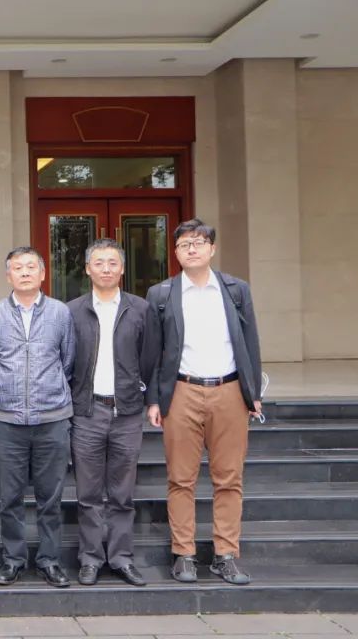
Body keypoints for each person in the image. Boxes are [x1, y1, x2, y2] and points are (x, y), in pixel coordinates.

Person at [146, 219, 262, 585]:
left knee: (229, 478)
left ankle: (225, 554)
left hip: (229, 390)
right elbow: (152, 352)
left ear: (212, 249)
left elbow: (251, 342)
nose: (192, 249)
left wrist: (252, 392)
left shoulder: (235, 290)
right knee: (181, 478)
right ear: (176, 252)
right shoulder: (162, 294)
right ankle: (184, 554)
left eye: (199, 242)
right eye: (184, 244)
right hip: (181, 391)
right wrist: (153, 399)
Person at [0, 246, 76, 589]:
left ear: (43, 274)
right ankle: (13, 560)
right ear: (8, 276)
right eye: (17, 268)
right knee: (11, 498)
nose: (24, 272)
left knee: (51, 498)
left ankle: (50, 560)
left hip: (52, 419)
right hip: (7, 422)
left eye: (30, 267)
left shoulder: (60, 313)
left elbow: (68, 362)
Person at [67, 238, 158, 587]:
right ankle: (90, 558)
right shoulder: (71, 310)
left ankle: (120, 558)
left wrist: (152, 400)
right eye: (99, 262)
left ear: (122, 268)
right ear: (88, 269)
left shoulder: (140, 309)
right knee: (88, 493)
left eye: (112, 263)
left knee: (122, 493)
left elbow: (151, 358)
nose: (106, 268)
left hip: (127, 413)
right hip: (87, 412)